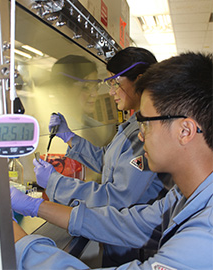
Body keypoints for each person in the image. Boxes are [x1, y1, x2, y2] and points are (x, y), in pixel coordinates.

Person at [11, 51, 213, 269]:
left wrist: (22, 244)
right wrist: (36, 207)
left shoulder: (205, 236)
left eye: (146, 123)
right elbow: (128, 224)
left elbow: (118, 200)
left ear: (185, 131)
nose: (140, 135)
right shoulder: (182, 195)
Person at [34, 47, 172, 265]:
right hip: (118, 238)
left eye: (115, 83)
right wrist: (70, 138)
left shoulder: (146, 131)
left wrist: (56, 184)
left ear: (139, 80)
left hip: (135, 246)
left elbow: (118, 197)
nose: (110, 92)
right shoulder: (132, 125)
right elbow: (107, 160)